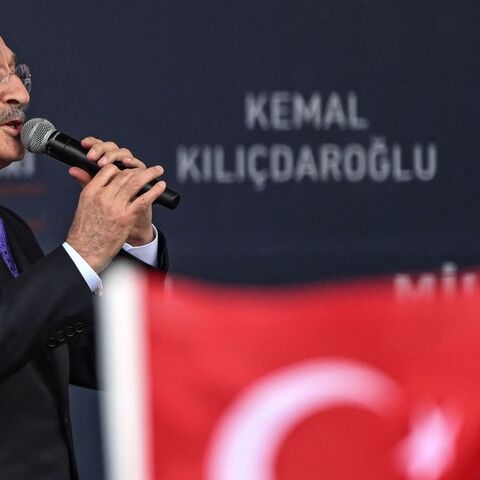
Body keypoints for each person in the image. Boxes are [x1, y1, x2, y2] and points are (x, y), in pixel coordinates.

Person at [0, 35, 168, 479]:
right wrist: (82, 253)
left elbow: (99, 361)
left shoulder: (11, 230)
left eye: (18, 72)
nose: (20, 93)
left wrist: (132, 243)